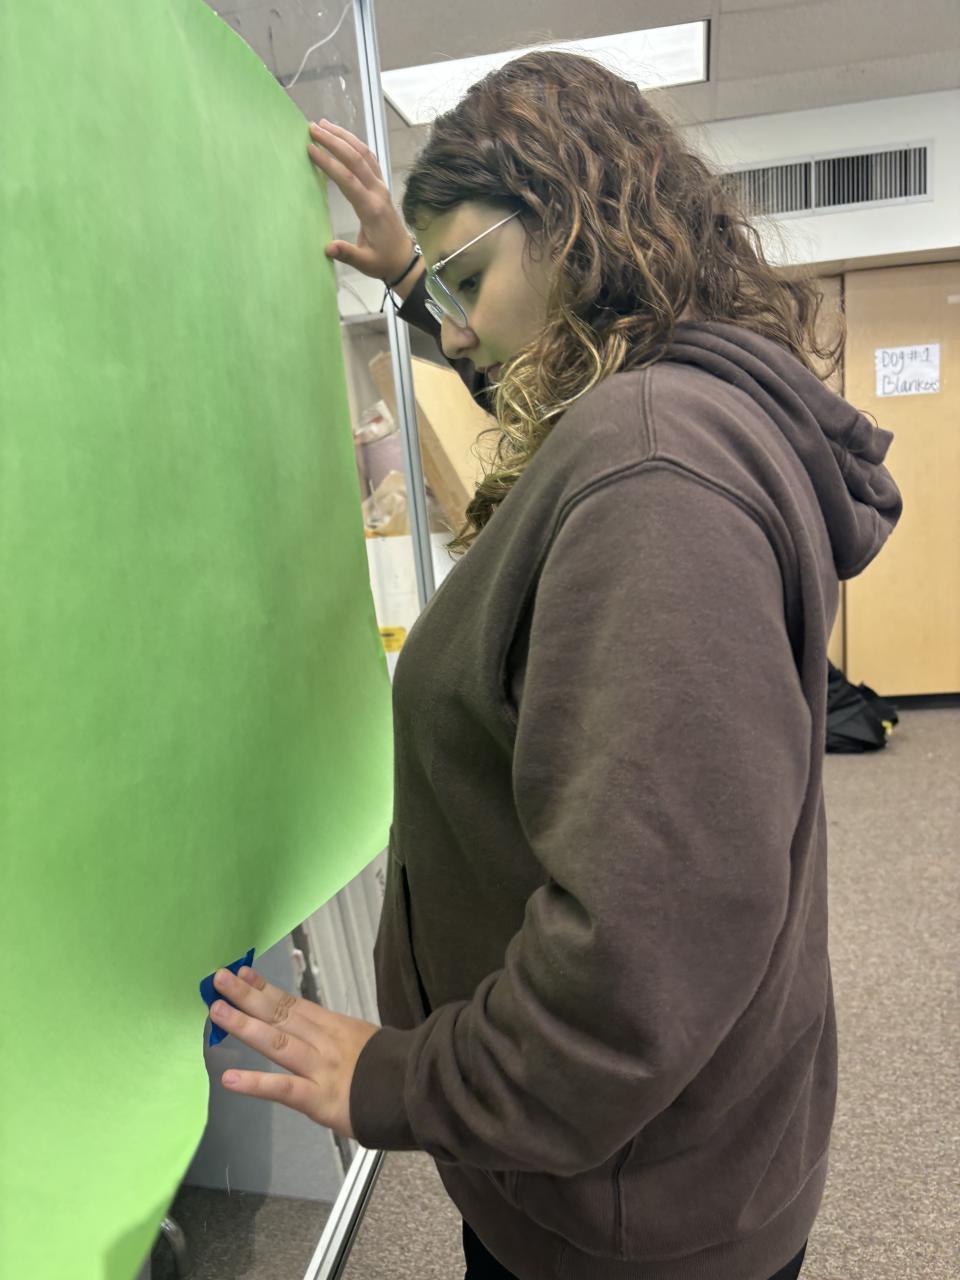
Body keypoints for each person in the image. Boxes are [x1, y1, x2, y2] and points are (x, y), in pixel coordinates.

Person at [206, 50, 902, 1280]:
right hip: (664, 1155)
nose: (455, 326)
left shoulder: (652, 482)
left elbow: (638, 965)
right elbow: (541, 393)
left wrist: (396, 1078)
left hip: (624, 1214)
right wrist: (418, 282)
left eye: (472, 279)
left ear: (577, 227)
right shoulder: (674, 399)